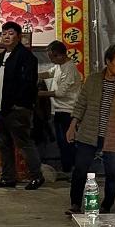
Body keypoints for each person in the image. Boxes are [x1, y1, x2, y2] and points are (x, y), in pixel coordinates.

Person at [66, 44, 115, 216]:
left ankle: (106, 205)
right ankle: (75, 203)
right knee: (80, 169)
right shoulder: (93, 80)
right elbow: (81, 104)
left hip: (114, 137)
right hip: (89, 133)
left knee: (113, 173)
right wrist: (72, 125)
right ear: (108, 61)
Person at [0, 21, 45, 190]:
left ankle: (36, 176)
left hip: (15, 109)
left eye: (11, 33)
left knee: (23, 143)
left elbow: (28, 84)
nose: (6, 36)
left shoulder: (26, 56)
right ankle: (8, 178)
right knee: (3, 144)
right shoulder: (2, 56)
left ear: (19, 37)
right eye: (4, 33)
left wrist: (17, 103)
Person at [38, 40, 82, 177]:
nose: (51, 60)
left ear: (60, 55)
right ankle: (67, 169)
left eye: (52, 57)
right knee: (61, 142)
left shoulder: (69, 69)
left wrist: (39, 94)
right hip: (58, 110)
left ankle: (71, 170)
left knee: (67, 142)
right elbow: (49, 73)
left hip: (68, 111)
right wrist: (34, 75)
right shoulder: (59, 65)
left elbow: (60, 93)